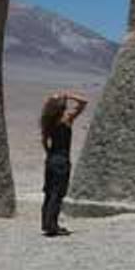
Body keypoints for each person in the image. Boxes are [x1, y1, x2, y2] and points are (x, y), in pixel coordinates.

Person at [39, 90, 88, 236]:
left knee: (49, 192)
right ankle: (52, 226)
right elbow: (84, 102)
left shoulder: (47, 120)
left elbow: (43, 141)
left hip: (51, 159)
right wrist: (69, 95)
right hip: (62, 159)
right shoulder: (66, 119)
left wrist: (49, 154)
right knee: (57, 193)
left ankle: (46, 223)